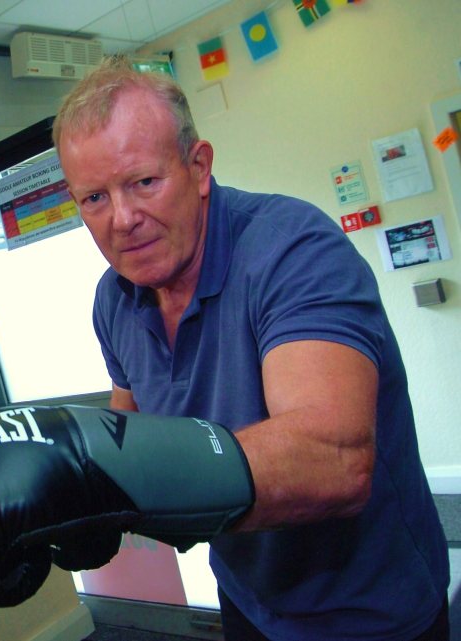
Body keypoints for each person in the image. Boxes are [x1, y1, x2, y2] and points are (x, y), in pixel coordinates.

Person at [52, 55, 450, 641]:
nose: (123, 219)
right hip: (247, 597)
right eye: (94, 198)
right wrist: (73, 488)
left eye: (143, 182)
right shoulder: (115, 299)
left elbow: (331, 459)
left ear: (199, 165)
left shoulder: (293, 248)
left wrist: (121, 488)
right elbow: (128, 433)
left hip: (371, 611)